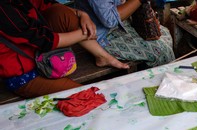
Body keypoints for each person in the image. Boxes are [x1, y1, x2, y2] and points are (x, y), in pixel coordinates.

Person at [0, 0, 130, 98]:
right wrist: (85, 33)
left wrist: (81, 14)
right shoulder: (4, 9)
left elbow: (48, 4)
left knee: (62, 13)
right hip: (26, 73)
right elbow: (47, 41)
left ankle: (102, 57)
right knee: (88, 97)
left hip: (42, 53)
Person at [74, 0, 175, 68]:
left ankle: (151, 74)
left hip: (120, 25)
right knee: (161, 50)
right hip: (100, 36)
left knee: (164, 33)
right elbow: (110, 20)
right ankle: (164, 86)